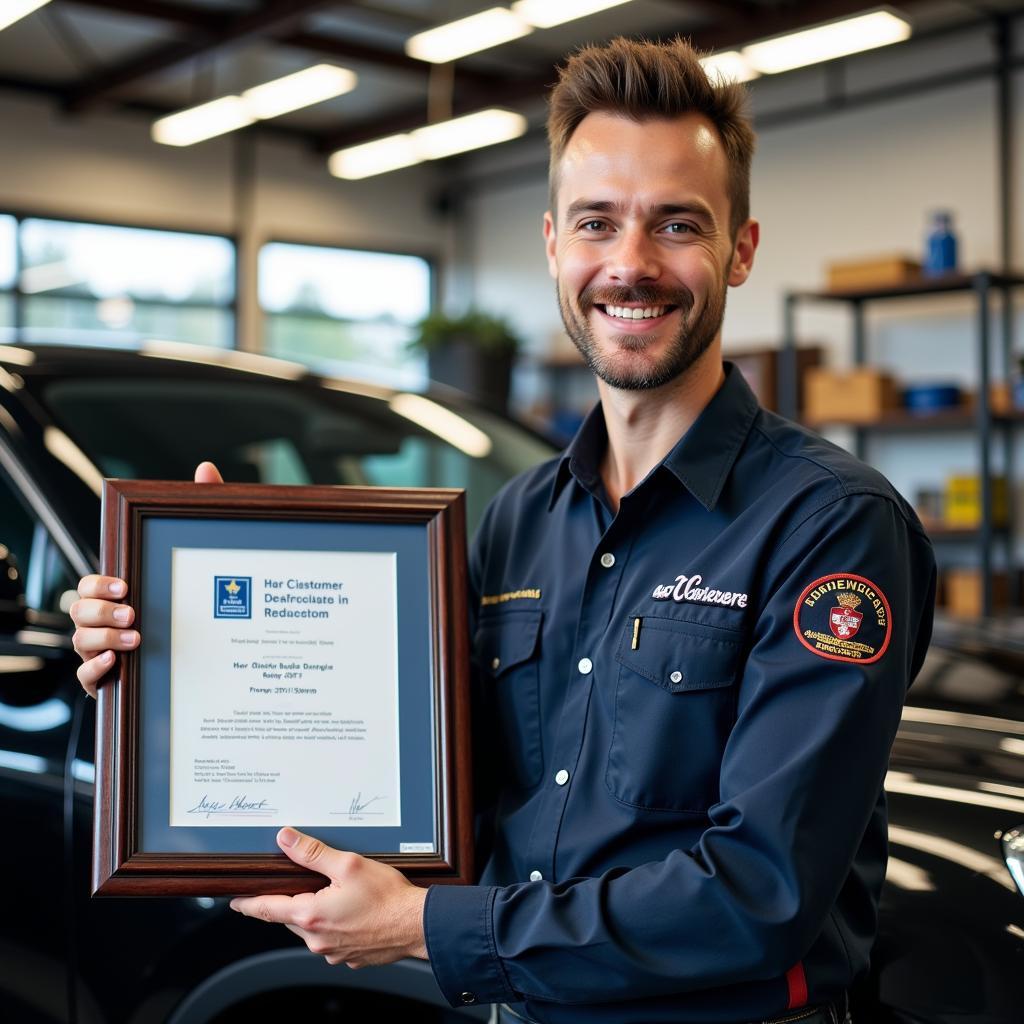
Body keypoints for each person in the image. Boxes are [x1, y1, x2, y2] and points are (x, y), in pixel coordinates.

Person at [71, 37, 935, 1024]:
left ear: (739, 249)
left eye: (677, 224)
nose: (631, 264)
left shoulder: (830, 525)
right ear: (553, 246)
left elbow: (760, 890)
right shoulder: (518, 518)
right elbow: (413, 773)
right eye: (596, 223)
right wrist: (179, 645)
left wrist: (425, 929)